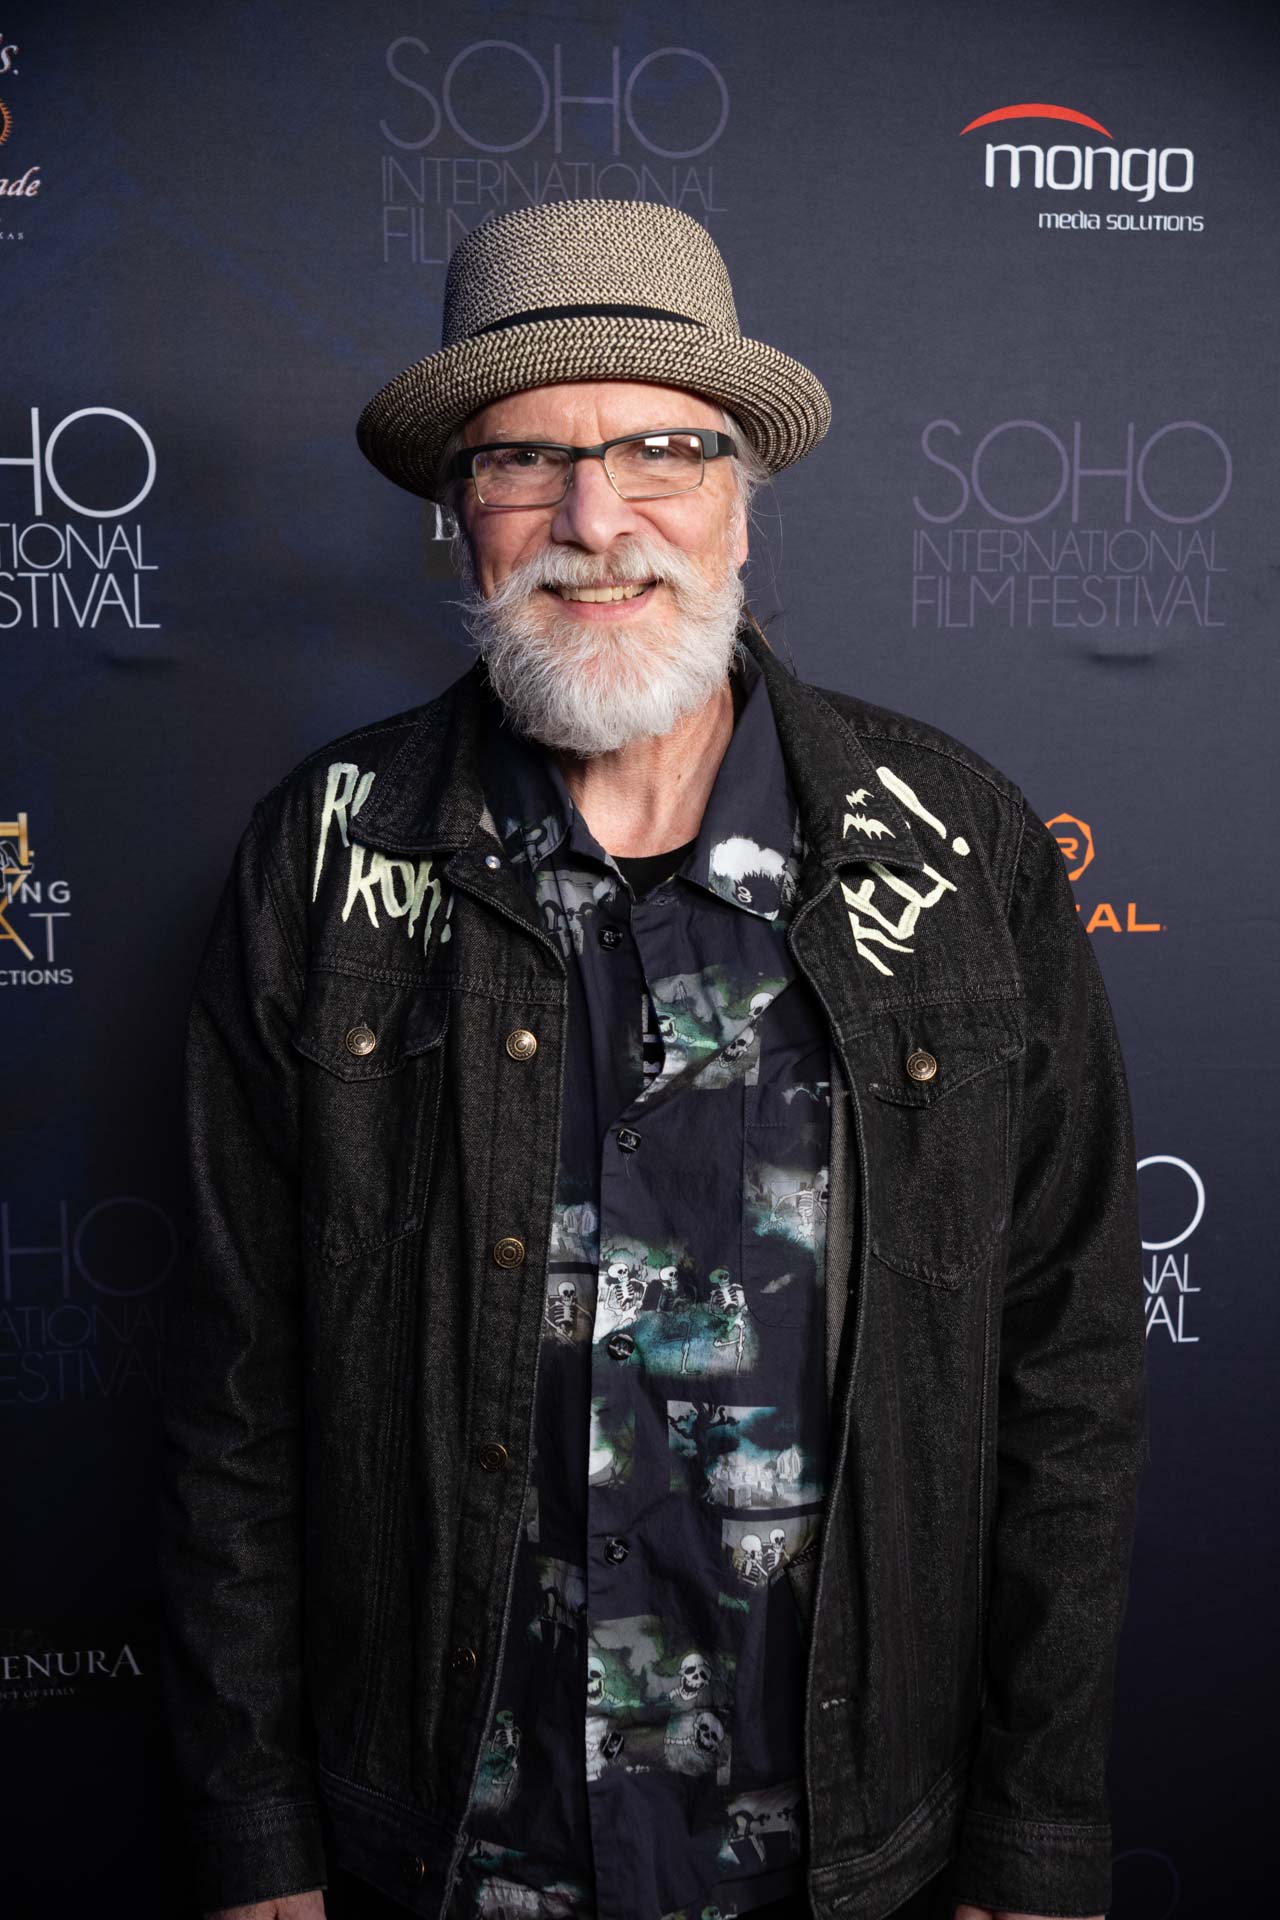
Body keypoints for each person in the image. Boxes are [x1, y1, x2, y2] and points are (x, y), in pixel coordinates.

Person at [158, 199, 1148, 1920]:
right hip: (448, 1849)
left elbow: (1067, 1378)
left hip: (844, 1850)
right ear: (457, 521)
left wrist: (1036, 1832)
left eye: (662, 451)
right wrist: (256, 1842)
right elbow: (234, 1388)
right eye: (522, 463)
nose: (594, 522)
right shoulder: (320, 858)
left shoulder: (957, 850)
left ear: (744, 499)